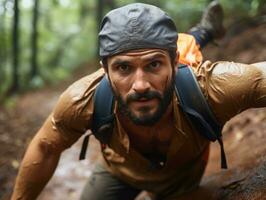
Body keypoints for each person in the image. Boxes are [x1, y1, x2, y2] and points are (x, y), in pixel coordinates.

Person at [11, 2, 266, 200]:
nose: (140, 85)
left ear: (174, 64)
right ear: (105, 70)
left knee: (189, 46)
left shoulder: (210, 86)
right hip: (118, 172)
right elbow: (45, 147)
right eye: (123, 68)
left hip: (181, 178)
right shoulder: (84, 98)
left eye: (154, 64)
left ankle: (202, 32)